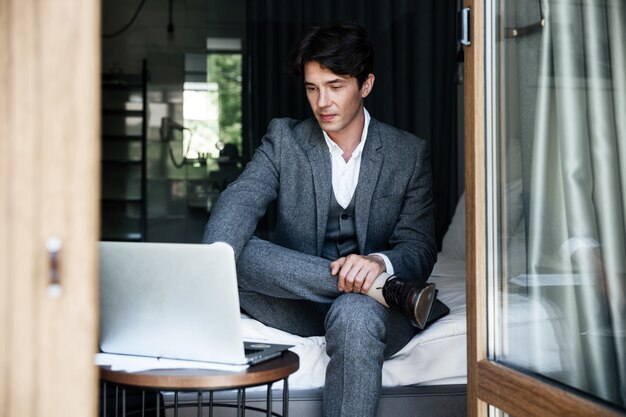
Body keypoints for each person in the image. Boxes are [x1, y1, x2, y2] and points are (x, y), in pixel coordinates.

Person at [203, 22, 448, 417]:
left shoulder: (407, 153)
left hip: (375, 312)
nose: (322, 102)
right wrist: (209, 264)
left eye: (335, 86)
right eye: (312, 88)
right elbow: (241, 199)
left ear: (365, 85)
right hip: (299, 301)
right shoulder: (285, 140)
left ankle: (373, 290)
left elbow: (418, 247)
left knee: (354, 313)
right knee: (231, 251)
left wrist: (377, 265)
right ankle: (382, 288)